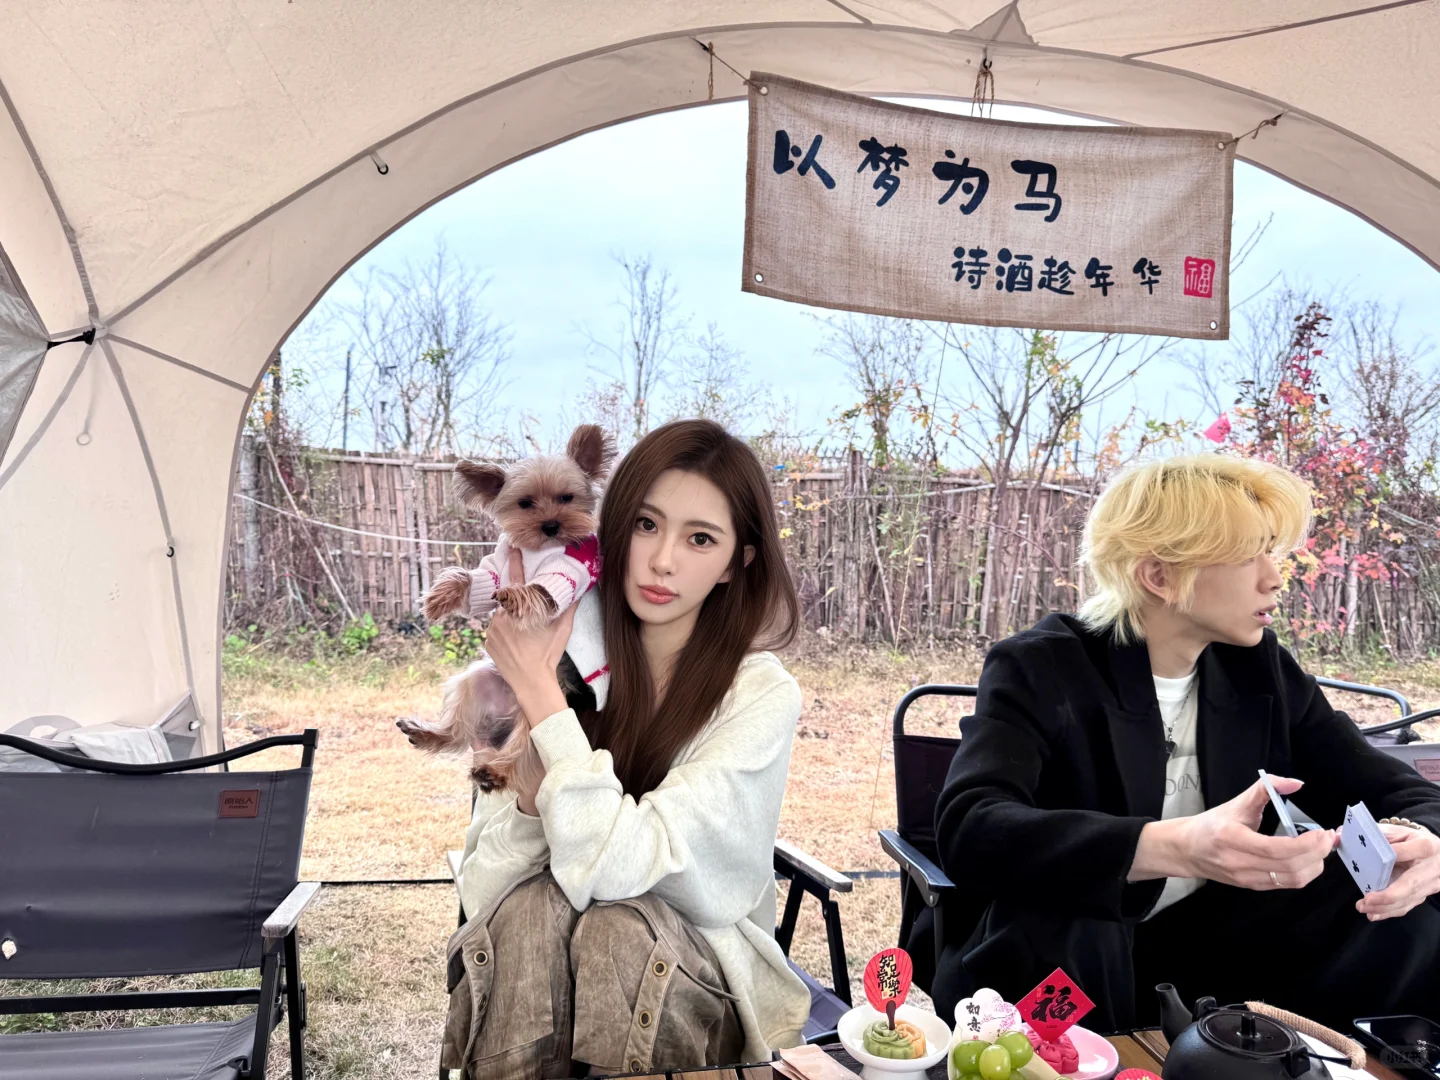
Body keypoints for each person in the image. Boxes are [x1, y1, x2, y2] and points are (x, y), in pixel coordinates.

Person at [923, 455, 1440, 1032]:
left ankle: (1364, 1060)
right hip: (1071, 954)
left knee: (1407, 908)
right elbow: (972, 826)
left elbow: (1391, 785)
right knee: (1072, 915)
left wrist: (1425, 841)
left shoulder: (1259, 669)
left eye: (1272, 552)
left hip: (1215, 948)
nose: (1274, 577)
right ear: (1160, 577)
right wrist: (1173, 847)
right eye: (1249, 555)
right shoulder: (1043, 667)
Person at [441, 420, 811, 1080]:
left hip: (696, 982)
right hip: (541, 968)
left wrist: (545, 703)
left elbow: (625, 872)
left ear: (738, 562)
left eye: (700, 538)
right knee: (527, 911)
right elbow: (484, 888)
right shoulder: (558, 658)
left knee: (618, 926)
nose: (663, 560)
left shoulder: (758, 696)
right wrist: (534, 738)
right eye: (645, 525)